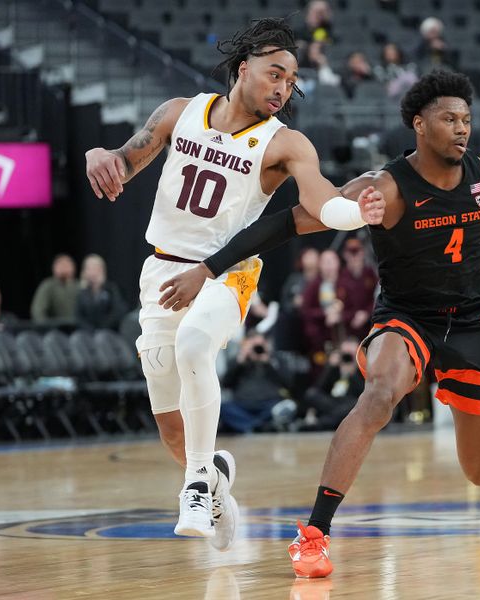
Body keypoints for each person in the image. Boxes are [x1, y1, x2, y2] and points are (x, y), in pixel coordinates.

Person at [154, 71, 480, 577]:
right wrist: (209, 267)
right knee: (379, 393)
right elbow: (288, 221)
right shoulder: (383, 188)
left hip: (471, 323)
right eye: (449, 119)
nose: (462, 128)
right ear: (419, 125)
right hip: (408, 316)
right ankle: (314, 533)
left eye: (467, 119)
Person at [84, 18, 384, 551]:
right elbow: (124, 163)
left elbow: (319, 199)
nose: (282, 89)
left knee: (196, 345)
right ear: (243, 68)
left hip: (228, 270)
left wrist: (352, 212)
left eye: (291, 82)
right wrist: (98, 157)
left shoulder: (284, 143)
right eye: (274, 74)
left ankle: (196, 486)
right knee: (172, 426)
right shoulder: (180, 112)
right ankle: (215, 473)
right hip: (162, 268)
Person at [220, 331, 296, 433]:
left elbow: (288, 383)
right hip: (242, 404)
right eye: (253, 346)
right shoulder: (238, 360)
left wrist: (269, 362)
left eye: (260, 345)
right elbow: (225, 384)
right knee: (223, 408)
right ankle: (260, 426)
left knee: (286, 406)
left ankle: (248, 426)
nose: (257, 349)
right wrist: (240, 362)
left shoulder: (275, 360)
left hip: (269, 404)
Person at [337, 237, 378, 341]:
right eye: (351, 252)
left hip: (370, 325)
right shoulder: (340, 277)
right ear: (345, 255)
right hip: (348, 329)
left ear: (362, 253)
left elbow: (377, 297)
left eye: (357, 251)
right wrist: (353, 316)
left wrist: (366, 313)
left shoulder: (370, 274)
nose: (354, 256)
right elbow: (337, 305)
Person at [75, 254, 128, 331]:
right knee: (77, 338)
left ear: (102, 269)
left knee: (100, 338)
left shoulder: (111, 289)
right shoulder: (82, 292)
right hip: (88, 332)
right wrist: (91, 330)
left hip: (109, 331)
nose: (92, 272)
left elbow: (119, 311)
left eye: (95, 268)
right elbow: (78, 317)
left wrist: (103, 327)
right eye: (89, 268)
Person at [30, 253, 79, 326]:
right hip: (55, 329)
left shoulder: (79, 286)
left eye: (67, 265)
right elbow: (38, 310)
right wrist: (45, 326)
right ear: (54, 268)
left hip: (78, 329)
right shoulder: (48, 286)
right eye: (61, 265)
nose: (64, 268)